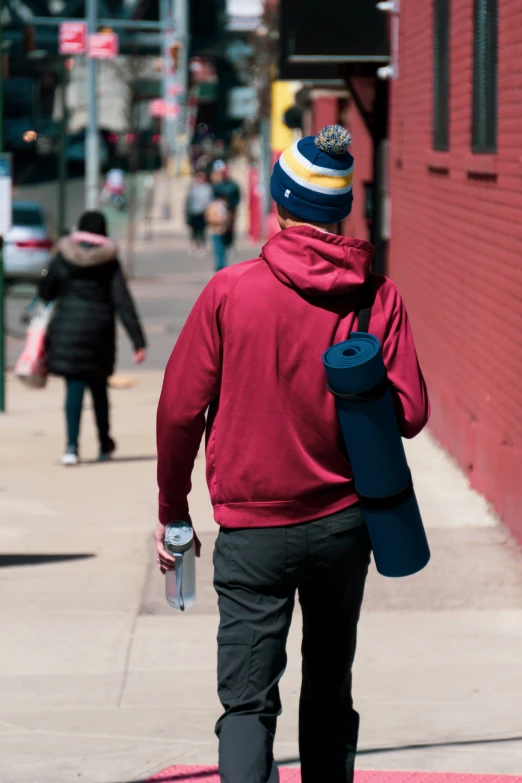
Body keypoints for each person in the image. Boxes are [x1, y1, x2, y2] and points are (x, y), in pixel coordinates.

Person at [155, 125, 430, 783]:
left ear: (280, 204)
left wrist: (174, 510)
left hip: (252, 532)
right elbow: (412, 414)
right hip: (343, 526)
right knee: (329, 689)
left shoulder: (229, 291)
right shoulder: (377, 295)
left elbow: (178, 411)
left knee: (247, 702)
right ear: (338, 211)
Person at [39, 210, 146, 466]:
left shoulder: (63, 256)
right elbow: (122, 301)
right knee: (99, 389)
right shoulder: (109, 261)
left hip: (67, 328)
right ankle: (104, 443)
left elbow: (46, 291)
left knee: (73, 388)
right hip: (99, 331)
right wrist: (137, 340)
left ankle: (71, 447)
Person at [211, 160, 240, 248]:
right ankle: (222, 243)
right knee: (221, 227)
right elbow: (214, 195)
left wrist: (232, 205)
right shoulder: (218, 185)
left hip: (231, 209)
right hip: (221, 209)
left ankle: (229, 243)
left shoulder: (233, 185)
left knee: (230, 227)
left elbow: (237, 196)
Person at [185, 172, 213, 252]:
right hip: (193, 211)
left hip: (203, 212)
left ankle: (202, 245)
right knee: (194, 230)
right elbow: (189, 200)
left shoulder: (207, 188)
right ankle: (193, 244)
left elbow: (209, 199)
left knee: (202, 230)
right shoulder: (193, 188)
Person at [205, 195, 230, 272]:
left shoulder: (214, 206)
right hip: (217, 230)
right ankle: (221, 265)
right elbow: (215, 218)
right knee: (219, 249)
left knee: (219, 249)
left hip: (217, 230)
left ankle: (221, 265)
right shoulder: (219, 206)